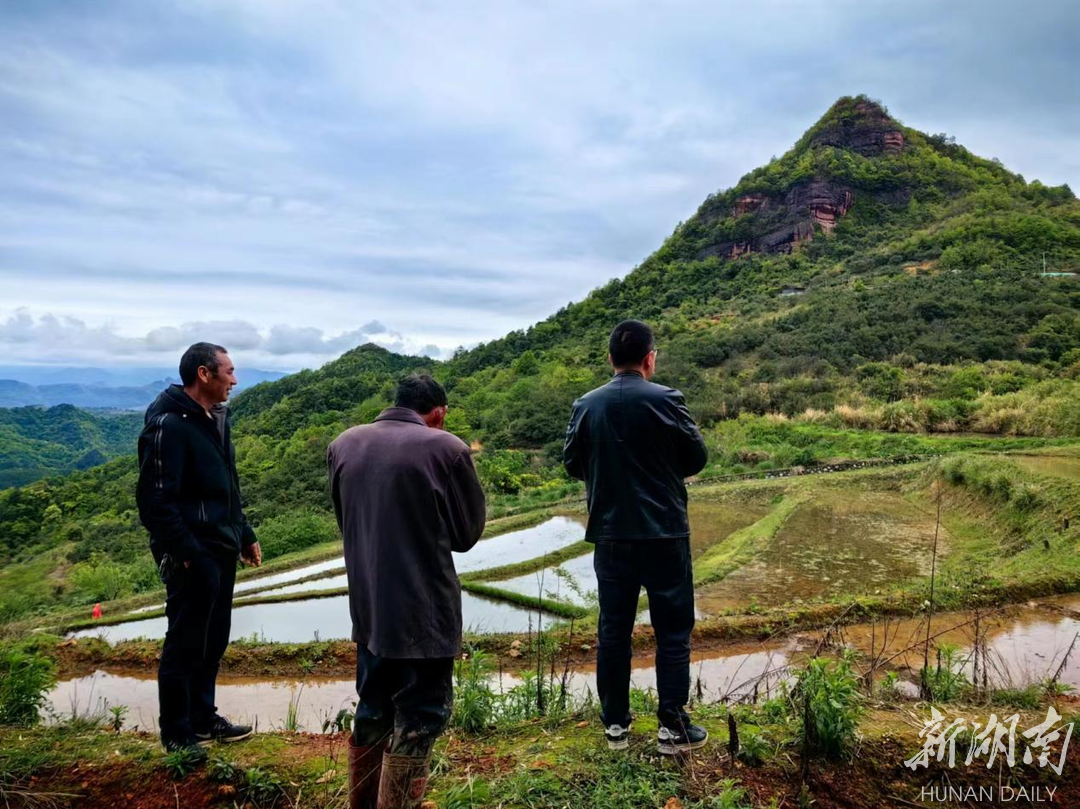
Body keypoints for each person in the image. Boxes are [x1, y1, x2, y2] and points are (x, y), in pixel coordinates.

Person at [327, 374, 486, 809]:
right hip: (424, 611)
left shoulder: (344, 443)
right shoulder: (447, 448)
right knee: (421, 715)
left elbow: (347, 521)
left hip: (370, 608)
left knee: (374, 704)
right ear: (438, 413)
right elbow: (466, 534)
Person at [563, 319, 709, 754]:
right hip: (664, 533)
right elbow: (696, 456)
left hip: (610, 536)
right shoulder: (667, 399)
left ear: (610, 360)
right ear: (650, 358)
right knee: (673, 630)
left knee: (613, 631)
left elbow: (572, 462)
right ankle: (672, 726)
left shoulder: (586, 406)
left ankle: (615, 727)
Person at [136, 342, 262, 759]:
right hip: (193, 552)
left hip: (221, 545)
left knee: (213, 639)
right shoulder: (169, 423)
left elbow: (230, 482)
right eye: (229, 371)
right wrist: (189, 552)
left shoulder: (216, 418)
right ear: (204, 375)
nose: (235, 379)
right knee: (185, 641)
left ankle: (204, 717)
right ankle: (176, 732)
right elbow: (155, 501)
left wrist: (244, 532)